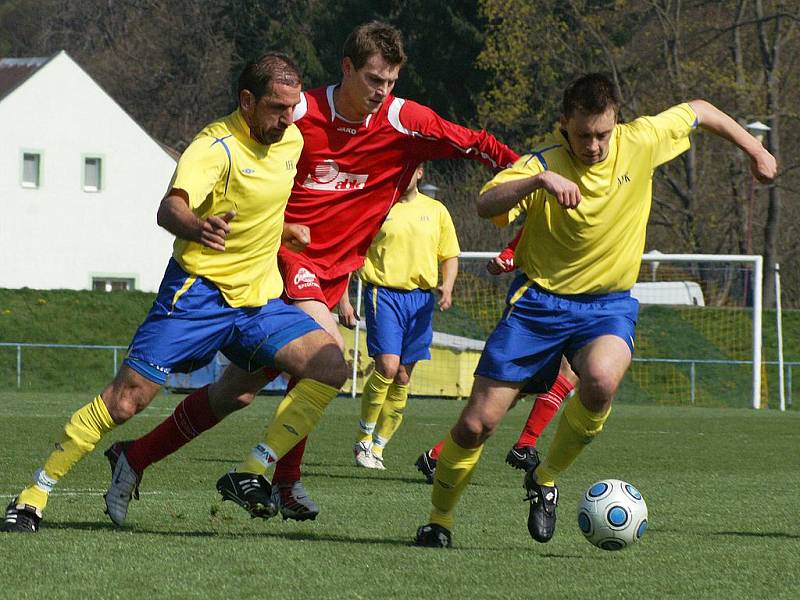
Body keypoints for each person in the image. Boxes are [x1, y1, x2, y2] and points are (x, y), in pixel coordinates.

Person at [106, 20, 520, 524]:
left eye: (390, 82)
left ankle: (136, 456)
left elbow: (476, 143)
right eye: (372, 79)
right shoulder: (298, 113)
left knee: (234, 392)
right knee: (328, 357)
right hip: (283, 262)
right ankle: (262, 473)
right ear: (346, 68)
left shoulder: (404, 121)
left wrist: (530, 174)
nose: (381, 92)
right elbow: (240, 138)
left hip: (331, 276)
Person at [414, 73, 777, 548]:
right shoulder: (541, 162)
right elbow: (486, 204)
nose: (593, 145)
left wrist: (756, 149)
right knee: (477, 423)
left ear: (615, 122)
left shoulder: (641, 140)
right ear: (565, 125)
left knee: (602, 380)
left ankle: (544, 479)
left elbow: (701, 109)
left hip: (606, 306)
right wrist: (537, 181)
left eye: (603, 133)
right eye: (583, 134)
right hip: (538, 306)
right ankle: (440, 521)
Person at [1, 53, 350, 533]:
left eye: (292, 107)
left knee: (329, 365)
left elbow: (339, 105)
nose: (287, 118)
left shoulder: (290, 133)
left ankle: (252, 471)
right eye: (276, 107)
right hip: (197, 295)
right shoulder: (215, 147)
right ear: (246, 101)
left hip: (258, 302)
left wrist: (284, 228)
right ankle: (33, 495)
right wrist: (197, 225)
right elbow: (169, 209)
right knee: (126, 402)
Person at [414, 230, 577, 484]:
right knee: (504, 394)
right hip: (542, 304)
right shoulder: (554, 202)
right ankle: (440, 456)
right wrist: (505, 259)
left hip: (580, 303)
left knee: (572, 371)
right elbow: (522, 241)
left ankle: (523, 445)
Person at [344, 164, 460, 470]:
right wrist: (343, 299)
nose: (402, 173)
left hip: (421, 300)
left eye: (410, 168)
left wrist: (447, 287)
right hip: (384, 293)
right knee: (387, 366)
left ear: (420, 173)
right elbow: (349, 252)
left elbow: (449, 255)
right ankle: (363, 438)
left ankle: (379, 447)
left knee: (404, 377)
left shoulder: (436, 211)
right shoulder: (377, 206)